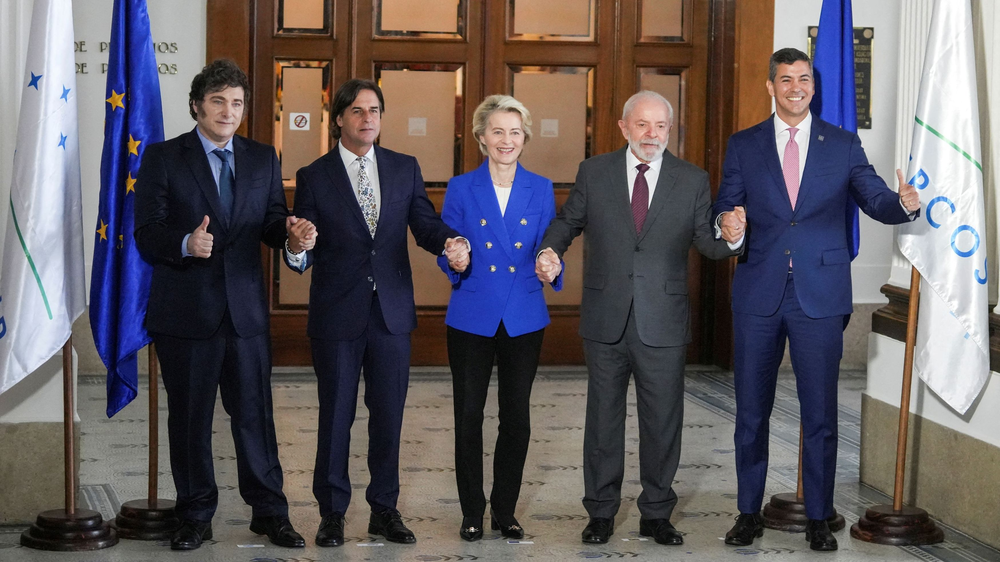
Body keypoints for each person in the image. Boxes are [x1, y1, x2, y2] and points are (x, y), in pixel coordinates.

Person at [713, 48, 920, 552]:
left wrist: (903, 205)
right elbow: (726, 202)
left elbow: (875, 200)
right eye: (785, 80)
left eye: (804, 79)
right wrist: (728, 224)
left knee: (821, 413)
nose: (796, 88)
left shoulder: (843, 145)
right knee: (751, 413)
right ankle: (747, 512)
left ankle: (819, 517)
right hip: (759, 293)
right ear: (771, 86)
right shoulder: (744, 145)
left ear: (813, 85)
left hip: (820, 297)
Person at [535, 90, 736, 546]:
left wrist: (733, 239)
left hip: (662, 320)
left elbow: (707, 242)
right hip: (606, 318)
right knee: (603, 420)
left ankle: (657, 514)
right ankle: (601, 513)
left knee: (662, 420)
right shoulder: (595, 171)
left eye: (661, 126)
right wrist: (550, 250)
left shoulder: (692, 179)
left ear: (670, 130)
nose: (652, 135)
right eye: (642, 125)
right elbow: (569, 221)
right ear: (624, 127)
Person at [134, 59, 313, 551]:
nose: (228, 112)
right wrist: (187, 245)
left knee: (255, 415)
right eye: (218, 101)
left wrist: (293, 238)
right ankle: (194, 514)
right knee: (190, 419)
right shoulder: (163, 158)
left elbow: (272, 221)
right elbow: (147, 235)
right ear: (197, 105)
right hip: (186, 315)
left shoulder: (261, 158)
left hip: (246, 315)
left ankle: (270, 511)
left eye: (236, 103)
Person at [284, 79, 470, 547]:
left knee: (388, 415)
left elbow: (423, 223)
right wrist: (297, 244)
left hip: (390, 314)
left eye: (375, 110)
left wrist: (449, 242)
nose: (368, 118)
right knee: (336, 415)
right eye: (358, 110)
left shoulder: (403, 168)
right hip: (337, 314)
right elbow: (302, 240)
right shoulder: (314, 174)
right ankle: (331, 513)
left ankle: (384, 510)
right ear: (340, 119)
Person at [436, 95, 560, 542]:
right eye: (497, 132)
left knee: (517, 418)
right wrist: (454, 257)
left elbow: (550, 246)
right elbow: (447, 249)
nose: (506, 140)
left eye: (514, 132)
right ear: (481, 138)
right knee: (468, 416)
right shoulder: (460, 187)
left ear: (524, 138)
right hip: (472, 313)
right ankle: (471, 510)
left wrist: (552, 263)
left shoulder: (541, 188)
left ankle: (504, 510)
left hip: (523, 315)